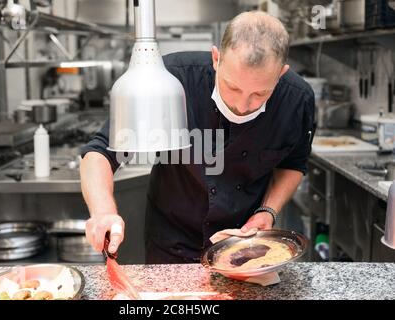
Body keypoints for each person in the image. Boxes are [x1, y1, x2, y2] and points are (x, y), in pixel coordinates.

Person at [81, 11, 315, 264]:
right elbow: (100, 152)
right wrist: (103, 212)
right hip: (172, 239)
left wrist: (268, 211)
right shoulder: (169, 80)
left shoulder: (297, 99)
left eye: (260, 93)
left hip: (244, 242)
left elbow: (292, 164)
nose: (243, 104)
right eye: (233, 87)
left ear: (281, 74)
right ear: (217, 58)